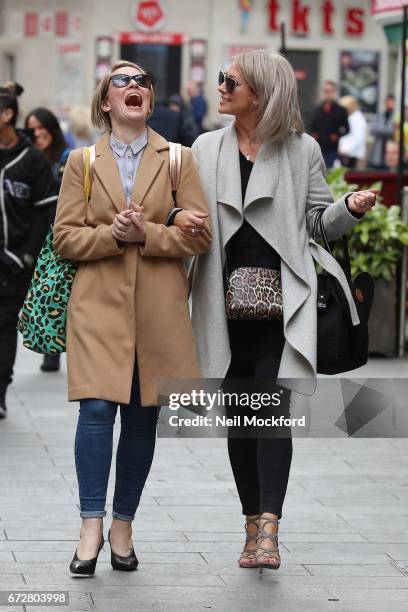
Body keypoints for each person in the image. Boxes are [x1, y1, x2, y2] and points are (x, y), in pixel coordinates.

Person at [171, 51, 376, 570]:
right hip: (221, 301)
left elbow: (315, 224)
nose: (220, 87)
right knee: (240, 417)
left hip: (283, 304)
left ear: (260, 92)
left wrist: (346, 211)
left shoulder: (301, 149)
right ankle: (250, 525)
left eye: (230, 81)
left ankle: (269, 529)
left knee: (270, 412)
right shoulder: (204, 147)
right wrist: (180, 217)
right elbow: (180, 208)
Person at [52, 60, 211, 576]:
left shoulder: (179, 160)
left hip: (159, 311)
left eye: (141, 80)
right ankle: (90, 525)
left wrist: (150, 234)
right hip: (97, 308)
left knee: (143, 417)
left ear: (150, 98)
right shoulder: (81, 161)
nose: (133, 86)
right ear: (106, 102)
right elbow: (64, 238)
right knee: (96, 412)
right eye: (121, 80)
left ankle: (124, 523)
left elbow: (201, 237)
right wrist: (111, 235)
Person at [0, 84, 57, 419]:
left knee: (5, 326)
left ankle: (1, 391)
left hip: (14, 264)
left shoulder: (31, 158)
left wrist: (25, 256)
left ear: (8, 115)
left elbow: (42, 213)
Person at [25, 107, 74, 373]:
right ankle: (46, 344)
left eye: (41, 127)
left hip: (56, 231)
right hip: (32, 232)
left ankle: (52, 352)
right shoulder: (26, 157)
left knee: (52, 290)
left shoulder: (64, 156)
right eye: (31, 129)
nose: (37, 133)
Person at [309, 80, 349, 168]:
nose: (327, 94)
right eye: (325, 91)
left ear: (334, 92)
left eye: (329, 91)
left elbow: (347, 129)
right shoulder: (317, 109)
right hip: (319, 147)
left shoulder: (341, 110)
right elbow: (311, 127)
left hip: (333, 148)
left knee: (330, 170)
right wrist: (315, 136)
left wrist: (337, 136)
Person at [338, 96, 367, 169]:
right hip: (347, 153)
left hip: (351, 154)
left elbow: (358, 138)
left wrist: (345, 150)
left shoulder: (358, 119)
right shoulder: (350, 117)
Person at [369, 94, 395, 170]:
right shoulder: (379, 115)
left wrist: (381, 130)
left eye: (391, 102)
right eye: (388, 101)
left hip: (390, 149)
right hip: (378, 148)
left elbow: (393, 132)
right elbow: (373, 130)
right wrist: (387, 131)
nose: (389, 103)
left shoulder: (396, 116)